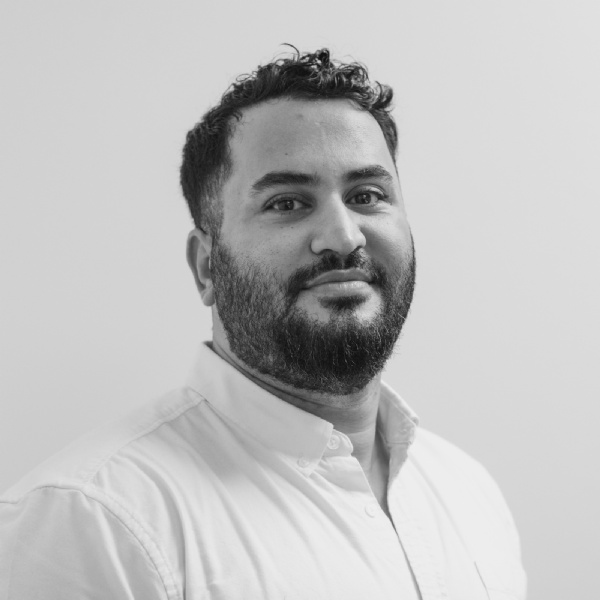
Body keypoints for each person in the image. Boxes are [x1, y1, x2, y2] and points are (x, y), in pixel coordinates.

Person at [0, 48, 526, 599]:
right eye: (287, 203)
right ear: (207, 266)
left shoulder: (467, 493)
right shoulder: (92, 522)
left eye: (367, 196)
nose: (343, 237)